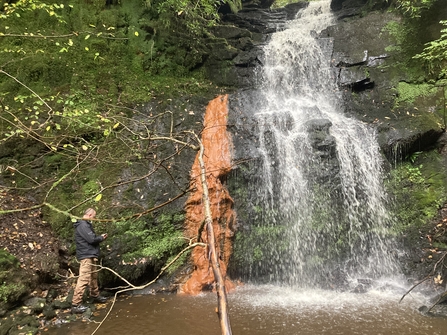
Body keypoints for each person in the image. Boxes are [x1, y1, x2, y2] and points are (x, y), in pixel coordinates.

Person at [71, 208, 108, 314]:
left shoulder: (85, 225)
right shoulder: (83, 225)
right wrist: (101, 237)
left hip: (90, 255)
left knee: (93, 277)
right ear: (90, 214)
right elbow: (91, 239)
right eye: (94, 216)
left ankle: (95, 295)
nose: (95, 218)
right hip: (86, 256)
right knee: (83, 279)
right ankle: (75, 304)